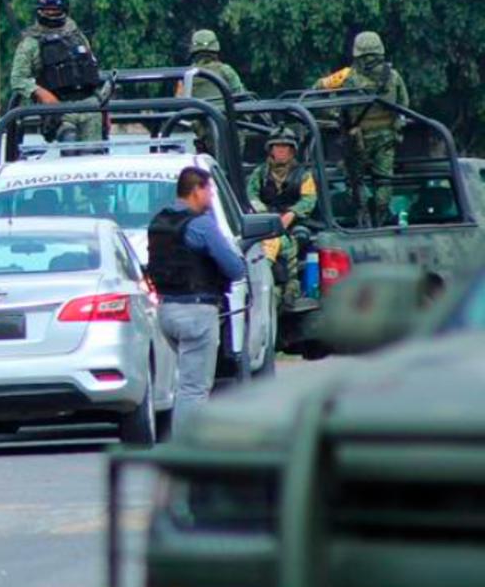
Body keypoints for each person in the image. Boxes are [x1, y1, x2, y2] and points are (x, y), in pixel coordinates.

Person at [146, 167, 247, 431]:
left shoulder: (160, 222)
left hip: (166, 311)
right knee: (194, 388)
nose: (211, 196)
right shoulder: (201, 225)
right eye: (209, 190)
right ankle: (188, 444)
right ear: (196, 190)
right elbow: (235, 268)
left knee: (185, 381)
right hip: (196, 312)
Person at [312, 31, 409, 225]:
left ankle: (363, 217)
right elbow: (403, 105)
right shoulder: (393, 76)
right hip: (383, 140)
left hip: (357, 139)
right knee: (383, 181)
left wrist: (334, 114)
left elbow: (317, 89)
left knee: (356, 181)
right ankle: (378, 219)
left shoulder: (346, 76)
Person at [7, 0, 102, 142]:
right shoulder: (31, 42)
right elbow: (17, 79)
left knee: (94, 152)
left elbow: (91, 71)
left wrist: (103, 106)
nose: (51, 13)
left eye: (55, 10)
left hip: (90, 105)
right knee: (69, 145)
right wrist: (42, 94)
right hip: (59, 108)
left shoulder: (77, 36)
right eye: (47, 10)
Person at [247, 127, 317, 301]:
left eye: (285, 147)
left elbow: (309, 199)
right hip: (266, 224)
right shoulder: (260, 173)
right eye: (277, 146)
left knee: (293, 240)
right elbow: (251, 196)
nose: (281, 150)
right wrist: (264, 214)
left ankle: (290, 286)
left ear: (292, 150)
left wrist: (292, 213)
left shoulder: (303, 175)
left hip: (293, 223)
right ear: (271, 149)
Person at [181, 29, 246, 102]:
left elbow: (180, 99)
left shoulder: (186, 74)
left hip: (196, 109)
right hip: (224, 109)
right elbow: (241, 94)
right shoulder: (225, 70)